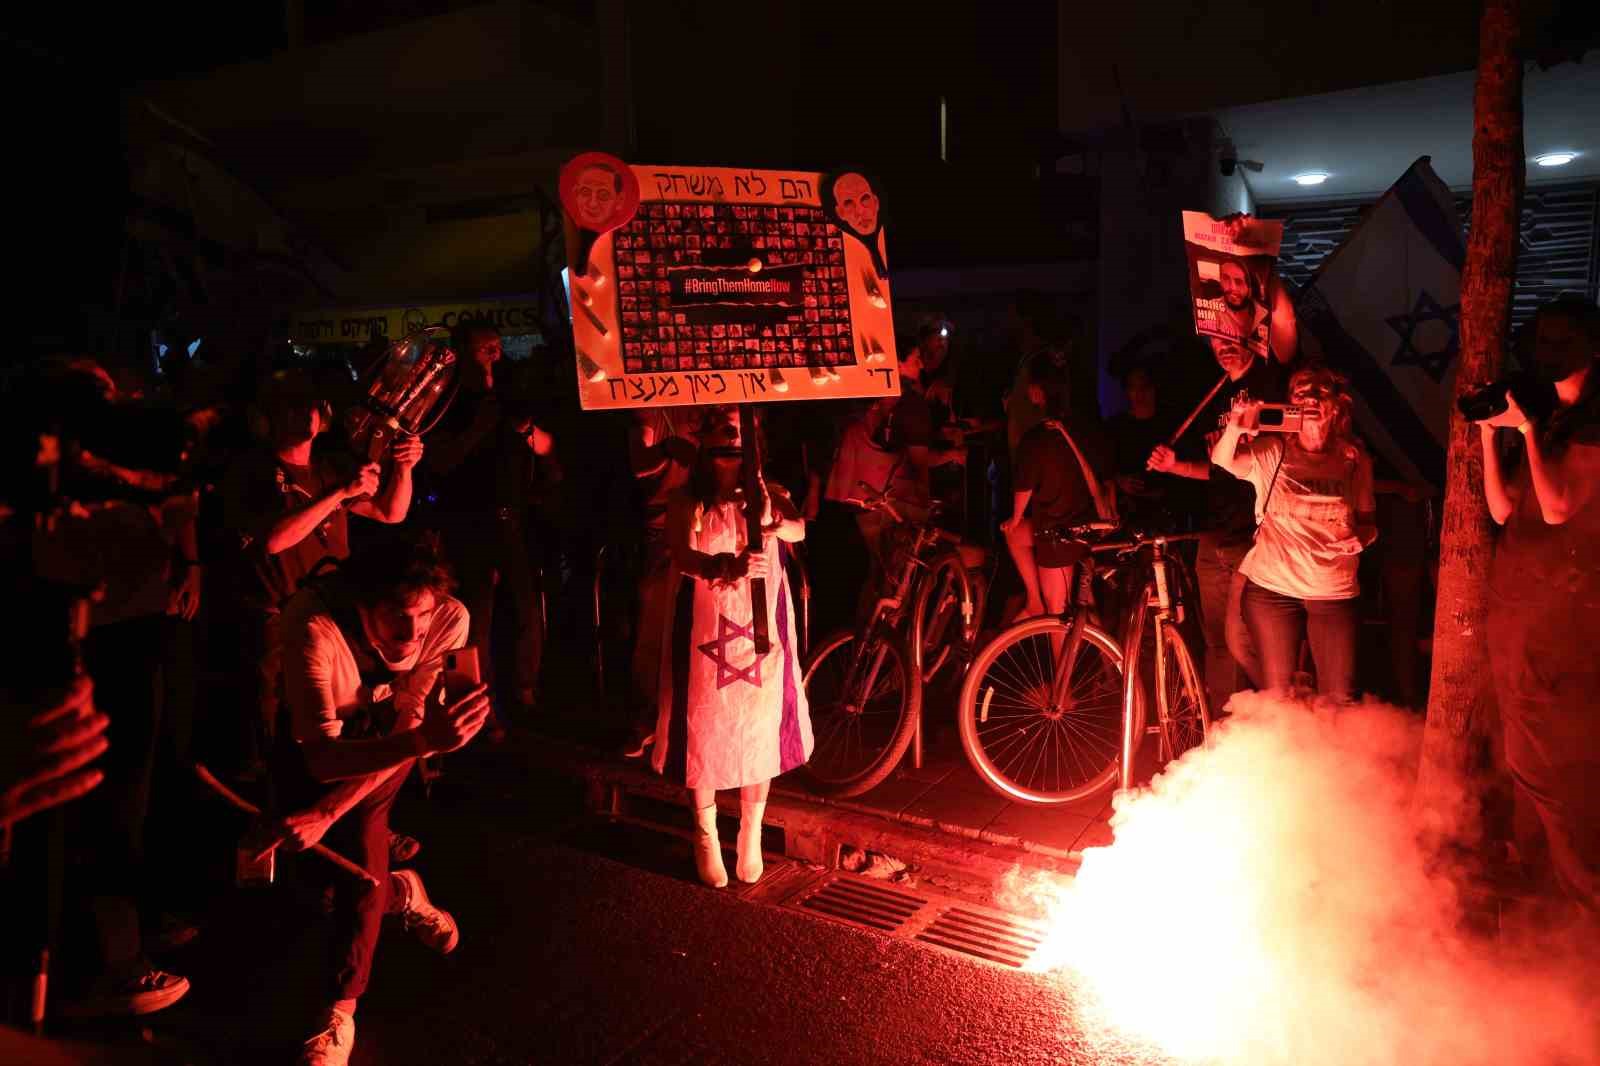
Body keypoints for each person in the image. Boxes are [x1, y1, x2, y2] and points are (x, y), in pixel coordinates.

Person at [261, 533, 489, 1066]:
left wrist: (330, 811)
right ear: (363, 602)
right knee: (311, 885)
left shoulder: (448, 618)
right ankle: (402, 894)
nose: (412, 634)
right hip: (317, 739)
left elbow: (411, 721)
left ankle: (339, 1010)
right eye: (395, 616)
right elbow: (320, 757)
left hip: (394, 736)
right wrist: (319, 811)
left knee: (359, 868)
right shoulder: (312, 627)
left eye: (421, 615)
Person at [220, 370, 423, 774]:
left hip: (325, 614)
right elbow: (273, 540)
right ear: (268, 418)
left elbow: (390, 512)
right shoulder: (253, 472)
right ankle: (260, 789)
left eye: (310, 405)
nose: (303, 414)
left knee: (326, 711)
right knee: (271, 715)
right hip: (274, 613)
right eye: (289, 407)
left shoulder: (330, 468)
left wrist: (404, 468)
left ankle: (317, 785)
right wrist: (340, 494)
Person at [1479, 294, 1600, 915]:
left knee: (1557, 779)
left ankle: (1584, 907)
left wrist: (1525, 430)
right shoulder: (1553, 415)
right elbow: (1505, 512)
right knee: (1525, 766)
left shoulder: (1592, 423)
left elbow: (1556, 508)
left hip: (1562, 626)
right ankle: (1547, 909)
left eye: (1561, 341)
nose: (1546, 352)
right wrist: (1486, 436)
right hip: (1519, 619)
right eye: (1541, 340)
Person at [652, 416, 811, 888]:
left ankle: (750, 833)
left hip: (762, 624)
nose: (730, 442)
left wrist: (772, 520)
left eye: (738, 437)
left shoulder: (768, 492)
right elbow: (679, 552)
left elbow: (800, 530)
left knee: (758, 724)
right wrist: (724, 564)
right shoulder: (688, 498)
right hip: (705, 618)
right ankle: (704, 833)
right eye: (721, 435)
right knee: (703, 723)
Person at [1147, 278, 1298, 711]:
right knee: (1217, 642)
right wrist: (1175, 466)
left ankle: (1280, 716)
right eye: (1216, 339)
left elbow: (1285, 325)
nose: (1224, 346)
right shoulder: (1213, 394)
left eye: (1231, 336)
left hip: (1254, 537)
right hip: (1213, 534)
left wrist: (1261, 274)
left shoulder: (1270, 380)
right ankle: (1223, 730)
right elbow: (1216, 471)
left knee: (1246, 642)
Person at [1211, 364, 1376, 701]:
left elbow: (1369, 523)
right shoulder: (1273, 451)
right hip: (1273, 588)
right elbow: (1222, 460)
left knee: (1340, 698)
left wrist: (1363, 538)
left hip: (1333, 589)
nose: (1310, 398)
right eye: (1301, 393)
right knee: (1279, 696)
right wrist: (1235, 426)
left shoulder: (1353, 459)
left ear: (1336, 405)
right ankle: (1289, 750)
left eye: (1318, 392)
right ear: (1291, 404)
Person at [421, 321, 555, 731]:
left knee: (526, 612)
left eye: (497, 346)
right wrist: (481, 423)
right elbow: (440, 461)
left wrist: (527, 430)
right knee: (476, 619)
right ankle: (481, 707)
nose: (495, 355)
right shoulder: (447, 402)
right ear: (463, 354)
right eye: (485, 349)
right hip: (469, 522)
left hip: (511, 520)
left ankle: (525, 692)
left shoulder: (511, 394)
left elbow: (549, 449)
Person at [1000, 352, 1115, 621]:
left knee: (1058, 613)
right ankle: (1033, 599)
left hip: (1058, 534)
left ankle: (1060, 656)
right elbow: (1107, 476)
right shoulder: (1088, 428)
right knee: (1015, 535)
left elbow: (1024, 487)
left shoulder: (1037, 437)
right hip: (1092, 531)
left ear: (1036, 392)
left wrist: (1016, 516)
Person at [624, 406, 701, 758]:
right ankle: (646, 720)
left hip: (710, 528)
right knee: (655, 626)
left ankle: (694, 724)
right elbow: (639, 461)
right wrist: (668, 449)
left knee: (703, 629)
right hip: (661, 532)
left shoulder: (718, 405)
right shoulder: (654, 409)